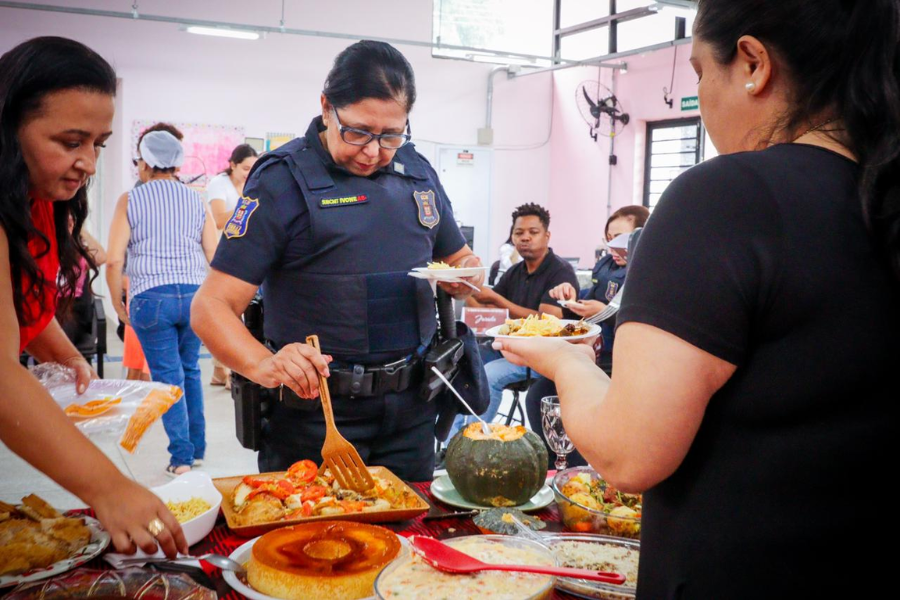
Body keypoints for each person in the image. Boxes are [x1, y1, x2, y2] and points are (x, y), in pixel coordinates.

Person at [492, 0, 900, 596]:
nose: (703, 97)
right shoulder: (877, 197)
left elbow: (629, 454)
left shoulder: (727, 198)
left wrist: (565, 360)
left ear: (752, 63)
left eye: (702, 73)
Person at [191, 40, 484, 482]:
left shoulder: (418, 171)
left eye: (391, 135)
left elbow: (457, 255)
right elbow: (211, 306)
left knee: (412, 525)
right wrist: (264, 364)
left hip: (412, 412)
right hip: (316, 418)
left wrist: (468, 273)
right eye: (358, 132)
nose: (373, 151)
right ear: (327, 107)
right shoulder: (282, 181)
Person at [0, 36, 186, 557]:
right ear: (9, 129)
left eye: (99, 144)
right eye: (70, 141)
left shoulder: (37, 198)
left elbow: (18, 305)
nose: (88, 162)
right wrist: (109, 487)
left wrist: (65, 355)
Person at [106, 130, 218, 477]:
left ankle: (181, 458)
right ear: (177, 164)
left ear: (145, 163)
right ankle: (197, 448)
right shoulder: (196, 200)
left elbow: (114, 259)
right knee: (191, 370)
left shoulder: (130, 199)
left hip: (151, 298)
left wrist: (117, 303)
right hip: (195, 296)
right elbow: (214, 253)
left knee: (168, 378)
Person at [452, 203, 578, 436]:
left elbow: (549, 321)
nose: (525, 238)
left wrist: (497, 299)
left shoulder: (560, 271)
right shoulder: (514, 272)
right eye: (519, 233)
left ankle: (474, 440)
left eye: (533, 232)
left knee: (490, 375)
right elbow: (486, 309)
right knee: (462, 365)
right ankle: (453, 442)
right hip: (508, 349)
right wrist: (464, 288)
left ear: (547, 235)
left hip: (541, 357)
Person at [549, 205, 649, 373]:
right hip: (595, 353)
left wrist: (605, 313)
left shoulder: (650, 276)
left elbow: (644, 329)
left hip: (627, 362)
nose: (612, 246)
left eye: (620, 238)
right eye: (609, 239)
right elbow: (583, 311)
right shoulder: (606, 268)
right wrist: (570, 301)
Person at [121, 123, 183, 381]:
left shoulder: (178, 194)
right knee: (144, 364)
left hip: (160, 289)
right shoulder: (138, 195)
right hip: (145, 286)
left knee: (153, 364)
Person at [205, 143, 258, 387]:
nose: (249, 173)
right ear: (233, 165)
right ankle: (227, 370)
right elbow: (219, 220)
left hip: (244, 255)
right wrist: (248, 205)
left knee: (238, 315)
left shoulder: (248, 186)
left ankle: (220, 370)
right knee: (226, 315)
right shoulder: (219, 183)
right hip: (221, 256)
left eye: (252, 169)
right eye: (245, 168)